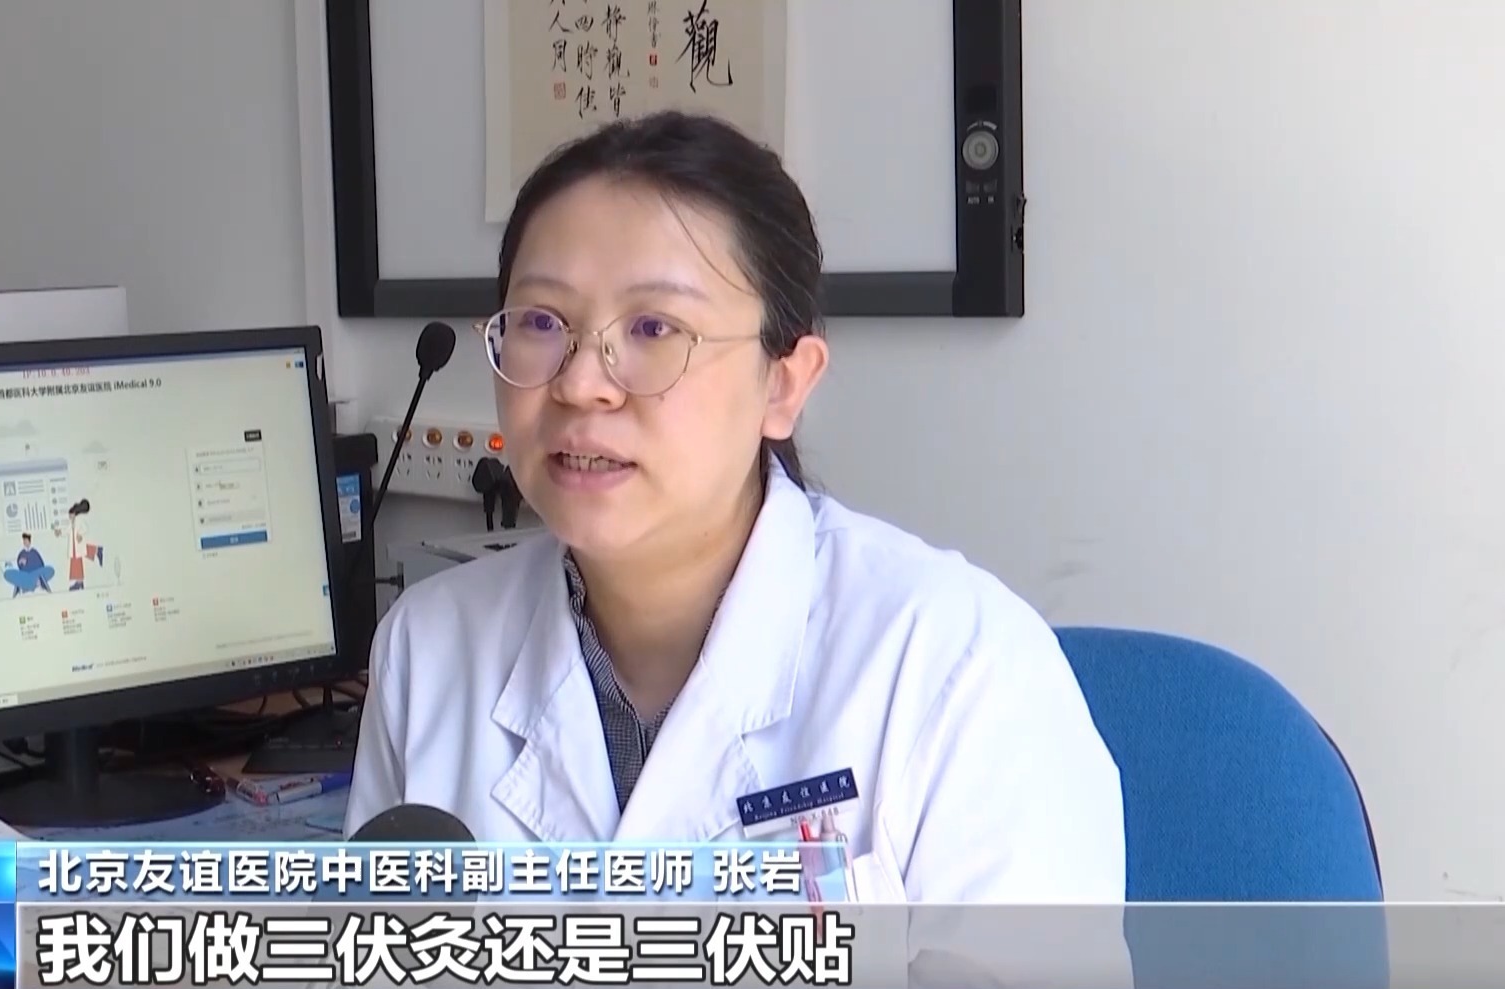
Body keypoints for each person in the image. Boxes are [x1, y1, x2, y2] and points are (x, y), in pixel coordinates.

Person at [345, 111, 1125, 904]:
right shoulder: (428, 649)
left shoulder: (959, 667)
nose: (580, 383)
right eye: (543, 322)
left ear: (784, 383)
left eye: (654, 326)